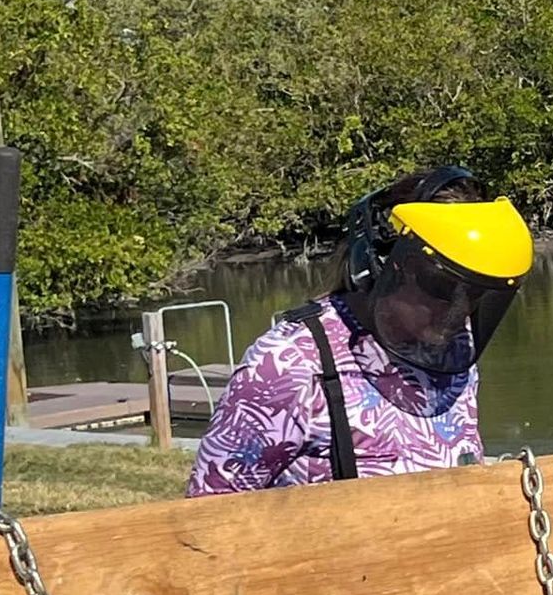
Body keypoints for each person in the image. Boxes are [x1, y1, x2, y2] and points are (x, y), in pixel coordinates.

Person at [186, 167, 533, 496]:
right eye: (439, 286)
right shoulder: (287, 364)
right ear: (378, 263)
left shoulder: (456, 348)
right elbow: (211, 517)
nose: (458, 312)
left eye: (473, 294)